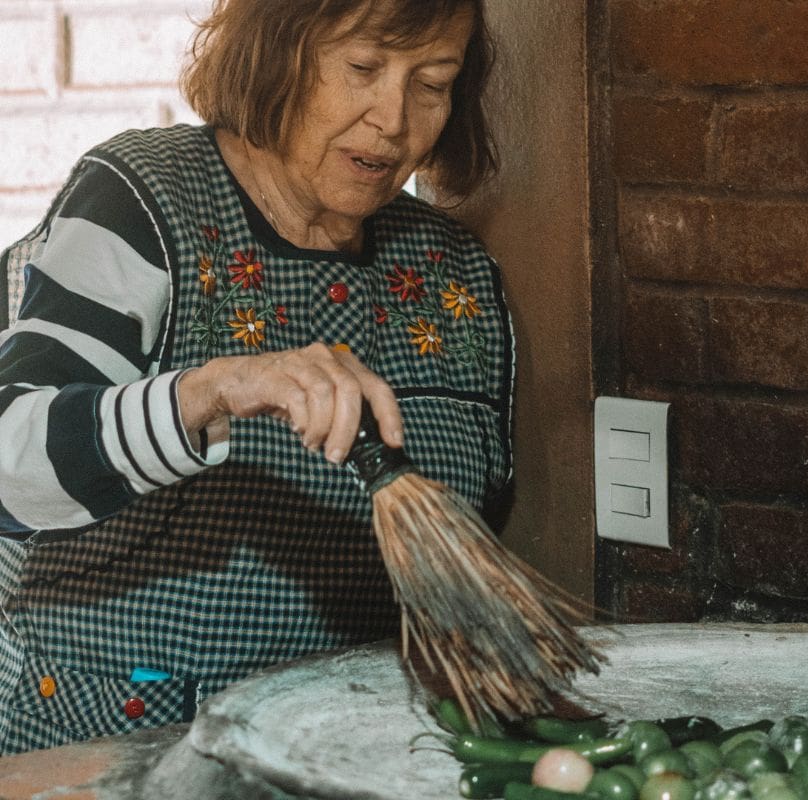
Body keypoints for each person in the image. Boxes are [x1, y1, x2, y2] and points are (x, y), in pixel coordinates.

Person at [0, 0, 513, 754]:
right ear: (279, 53)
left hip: (349, 747)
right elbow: (11, 463)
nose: (395, 118)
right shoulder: (143, 195)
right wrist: (216, 390)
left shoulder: (455, 271)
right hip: (119, 736)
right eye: (363, 69)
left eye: (432, 83)